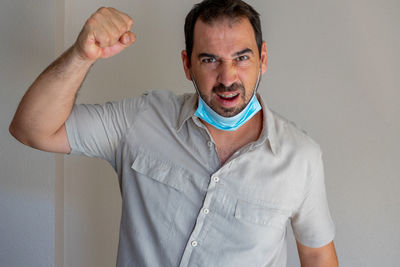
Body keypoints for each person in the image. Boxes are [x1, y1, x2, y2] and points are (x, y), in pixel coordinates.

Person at [9, 0, 338, 266]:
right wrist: (82, 56)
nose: (227, 77)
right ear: (187, 64)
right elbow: (31, 129)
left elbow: (317, 255)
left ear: (262, 59)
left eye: (241, 58)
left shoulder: (301, 157)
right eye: (210, 59)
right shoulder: (141, 119)